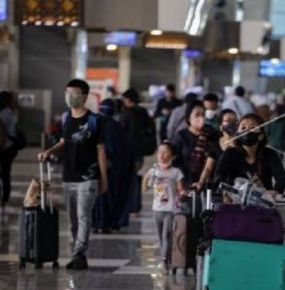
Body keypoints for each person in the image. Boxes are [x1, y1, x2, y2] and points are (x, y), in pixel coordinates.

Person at [38, 79, 108, 270]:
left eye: (74, 92)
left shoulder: (95, 121)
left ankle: (79, 254)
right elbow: (63, 141)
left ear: (84, 96)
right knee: (72, 218)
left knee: (83, 216)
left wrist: (104, 178)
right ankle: (77, 252)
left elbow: (101, 150)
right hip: (69, 176)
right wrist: (49, 151)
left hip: (89, 177)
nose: (69, 96)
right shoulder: (65, 118)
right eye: (67, 91)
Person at [214, 113, 285, 197]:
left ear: (261, 136)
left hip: (263, 204)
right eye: (243, 128)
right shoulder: (230, 153)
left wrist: (275, 191)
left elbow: (281, 178)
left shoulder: (269, 154)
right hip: (234, 203)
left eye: (253, 127)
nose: (247, 131)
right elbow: (219, 175)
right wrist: (225, 191)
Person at [92, 99, 136, 234]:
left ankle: (97, 222)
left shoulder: (95, 124)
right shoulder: (117, 128)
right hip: (116, 170)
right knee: (110, 196)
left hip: (97, 168)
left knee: (98, 197)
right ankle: (106, 223)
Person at [143, 142, 184, 274]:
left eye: (165, 152)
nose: (161, 155)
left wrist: (184, 194)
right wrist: (146, 179)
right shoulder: (154, 171)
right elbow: (145, 189)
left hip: (170, 209)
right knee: (160, 237)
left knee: (167, 235)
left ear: (172, 155)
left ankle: (164, 260)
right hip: (157, 209)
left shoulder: (176, 172)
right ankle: (166, 258)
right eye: (160, 151)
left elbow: (180, 190)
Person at [173, 100, 220, 188]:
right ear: (188, 117)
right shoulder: (181, 135)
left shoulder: (212, 134)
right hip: (186, 183)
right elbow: (176, 161)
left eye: (203, 115)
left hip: (208, 184)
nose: (201, 118)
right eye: (197, 115)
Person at [196, 109, 238, 191]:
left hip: (239, 185)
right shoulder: (215, 144)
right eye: (228, 121)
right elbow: (208, 168)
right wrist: (200, 182)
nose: (232, 123)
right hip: (220, 186)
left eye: (235, 120)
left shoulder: (242, 142)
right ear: (221, 126)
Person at [0, 91, 18, 207]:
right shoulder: (10, 112)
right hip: (10, 146)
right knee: (6, 174)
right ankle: (5, 198)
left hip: (4, 147)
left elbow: (0, 132)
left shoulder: (2, 114)